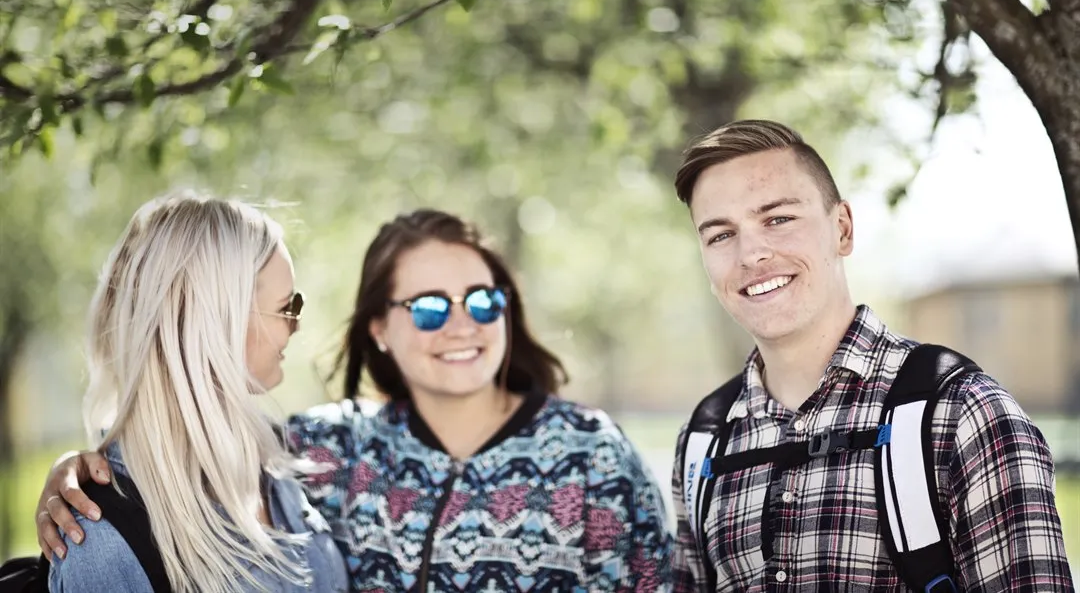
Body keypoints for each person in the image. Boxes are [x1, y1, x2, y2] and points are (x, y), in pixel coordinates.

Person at [36, 209, 674, 592]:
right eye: (427, 307)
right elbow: (176, 447)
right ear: (378, 328)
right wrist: (80, 467)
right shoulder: (321, 450)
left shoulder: (592, 454)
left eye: (483, 300)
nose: (462, 325)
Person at [668, 119, 1074, 591]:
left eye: (778, 219)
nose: (751, 253)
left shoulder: (963, 413)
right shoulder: (703, 441)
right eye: (720, 235)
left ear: (842, 228)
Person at [44, 193, 347, 592]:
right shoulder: (102, 544)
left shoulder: (281, 456)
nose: (297, 325)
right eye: (288, 306)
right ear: (216, 325)